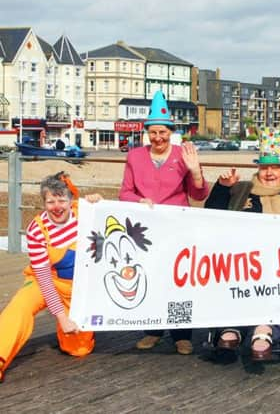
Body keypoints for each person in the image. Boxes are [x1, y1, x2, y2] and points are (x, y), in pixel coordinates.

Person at [204, 127, 280, 361]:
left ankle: (266, 329)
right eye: (265, 167)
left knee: (279, 283)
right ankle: (233, 327)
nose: (269, 173)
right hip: (245, 264)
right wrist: (222, 187)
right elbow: (212, 214)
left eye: (276, 168)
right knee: (235, 279)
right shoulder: (242, 191)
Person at [119, 90, 209, 355]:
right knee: (151, 277)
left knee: (179, 280)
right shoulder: (135, 156)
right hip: (146, 230)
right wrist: (137, 201)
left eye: (163, 132)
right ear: (147, 132)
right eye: (153, 133)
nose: (158, 137)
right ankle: (153, 331)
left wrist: (194, 171)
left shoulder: (185, 154)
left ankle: (182, 335)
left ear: (171, 131)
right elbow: (124, 192)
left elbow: (199, 195)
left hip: (177, 228)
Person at [0, 172, 103, 382]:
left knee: (79, 349)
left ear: (71, 200)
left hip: (74, 288)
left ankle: (78, 332)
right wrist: (62, 318)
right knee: (20, 306)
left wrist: (100, 203)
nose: (57, 206)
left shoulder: (86, 212)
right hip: (44, 281)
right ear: (44, 203)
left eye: (61, 200)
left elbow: (115, 221)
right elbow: (44, 279)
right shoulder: (37, 230)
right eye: (50, 201)